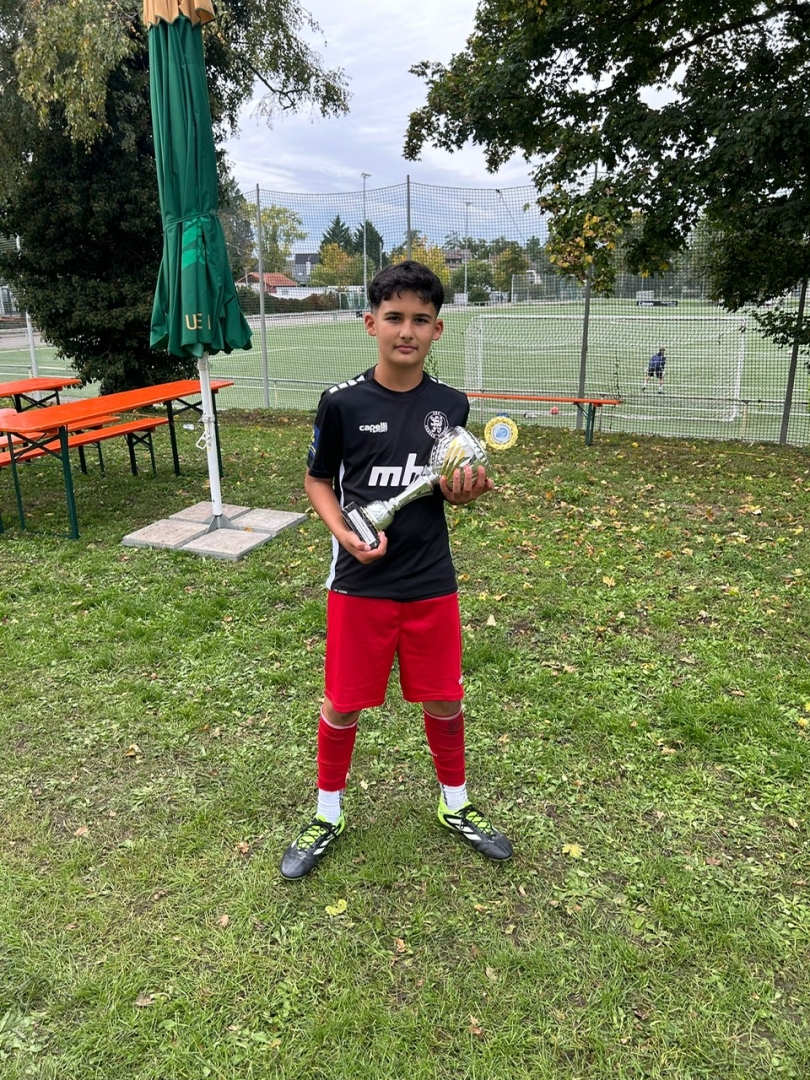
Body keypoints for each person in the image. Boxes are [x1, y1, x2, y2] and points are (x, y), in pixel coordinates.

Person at [280, 261, 513, 880]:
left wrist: (465, 493)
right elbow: (317, 480)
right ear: (370, 323)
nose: (406, 331)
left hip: (431, 579)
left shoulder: (451, 404)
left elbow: (447, 484)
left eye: (420, 319)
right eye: (394, 318)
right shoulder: (342, 403)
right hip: (361, 584)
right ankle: (327, 813)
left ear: (438, 329)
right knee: (342, 703)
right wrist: (345, 534)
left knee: (444, 696)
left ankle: (455, 803)